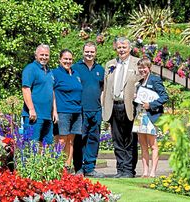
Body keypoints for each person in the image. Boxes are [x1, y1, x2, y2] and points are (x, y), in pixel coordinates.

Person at [102, 37, 141, 178]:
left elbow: (143, 82)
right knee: (117, 140)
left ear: (129, 48)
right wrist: (104, 106)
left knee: (130, 139)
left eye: (124, 47)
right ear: (116, 48)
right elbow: (106, 88)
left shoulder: (137, 63)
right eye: (119, 47)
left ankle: (129, 170)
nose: (122, 49)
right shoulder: (110, 64)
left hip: (130, 106)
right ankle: (120, 169)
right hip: (114, 105)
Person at [72, 42, 105, 178]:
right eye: (87, 51)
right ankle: (79, 168)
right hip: (81, 110)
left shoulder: (100, 69)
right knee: (80, 139)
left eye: (92, 52)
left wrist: (101, 107)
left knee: (93, 139)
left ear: (95, 53)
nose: (89, 54)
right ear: (83, 52)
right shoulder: (75, 68)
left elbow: (103, 89)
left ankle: (90, 168)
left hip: (96, 110)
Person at [132, 58, 169, 178]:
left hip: (150, 116)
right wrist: (135, 98)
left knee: (153, 146)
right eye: (140, 68)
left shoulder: (155, 80)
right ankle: (145, 172)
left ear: (149, 68)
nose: (142, 70)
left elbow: (164, 97)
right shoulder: (139, 82)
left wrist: (151, 105)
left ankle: (153, 172)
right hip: (140, 116)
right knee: (143, 146)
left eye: (144, 67)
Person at [52, 49, 83, 171]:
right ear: (60, 59)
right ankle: (57, 166)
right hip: (63, 111)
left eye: (70, 59)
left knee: (71, 140)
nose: (68, 61)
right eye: (65, 59)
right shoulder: (55, 73)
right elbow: (52, 92)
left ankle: (68, 167)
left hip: (76, 111)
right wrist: (54, 111)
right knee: (61, 140)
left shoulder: (75, 74)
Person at [21, 44, 57, 145]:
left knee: (47, 145)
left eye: (46, 55)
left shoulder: (50, 72)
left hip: (47, 116)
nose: (44, 57)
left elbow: (52, 91)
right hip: (34, 116)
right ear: (36, 55)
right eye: (42, 55)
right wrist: (31, 109)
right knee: (31, 145)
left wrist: (54, 111)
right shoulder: (30, 69)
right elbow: (25, 89)